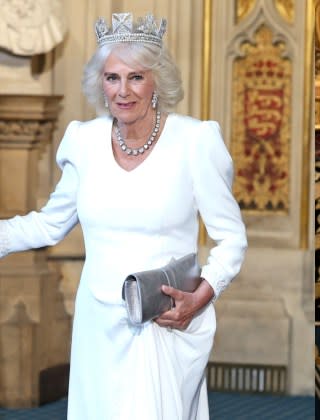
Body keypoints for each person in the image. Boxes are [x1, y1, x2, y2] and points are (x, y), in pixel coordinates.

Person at [0, 12, 247, 420]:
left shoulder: (195, 141)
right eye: (112, 78)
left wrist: (197, 299)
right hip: (98, 323)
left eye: (136, 77)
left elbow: (232, 239)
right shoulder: (84, 141)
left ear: (157, 83)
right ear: (100, 83)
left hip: (164, 321)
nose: (123, 91)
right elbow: (50, 223)